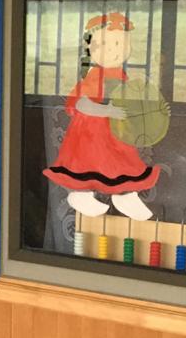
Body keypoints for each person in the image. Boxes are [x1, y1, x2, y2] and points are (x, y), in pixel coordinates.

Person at [43, 12, 160, 221]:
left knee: (122, 164)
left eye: (119, 44)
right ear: (91, 47)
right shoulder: (94, 77)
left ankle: (125, 196)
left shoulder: (121, 75)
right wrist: (108, 111)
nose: (114, 51)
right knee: (91, 166)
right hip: (93, 135)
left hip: (115, 133)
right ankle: (82, 195)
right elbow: (82, 103)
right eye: (106, 44)